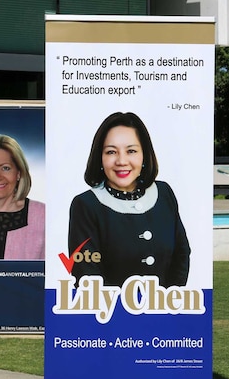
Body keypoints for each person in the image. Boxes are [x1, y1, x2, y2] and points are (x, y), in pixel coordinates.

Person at [67, 111, 190, 287]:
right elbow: (86, 273)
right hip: (109, 313)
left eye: (131, 151)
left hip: (165, 310)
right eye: (111, 152)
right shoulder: (86, 205)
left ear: (144, 155)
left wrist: (167, 305)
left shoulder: (164, 194)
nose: (121, 161)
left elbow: (182, 255)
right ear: (100, 158)